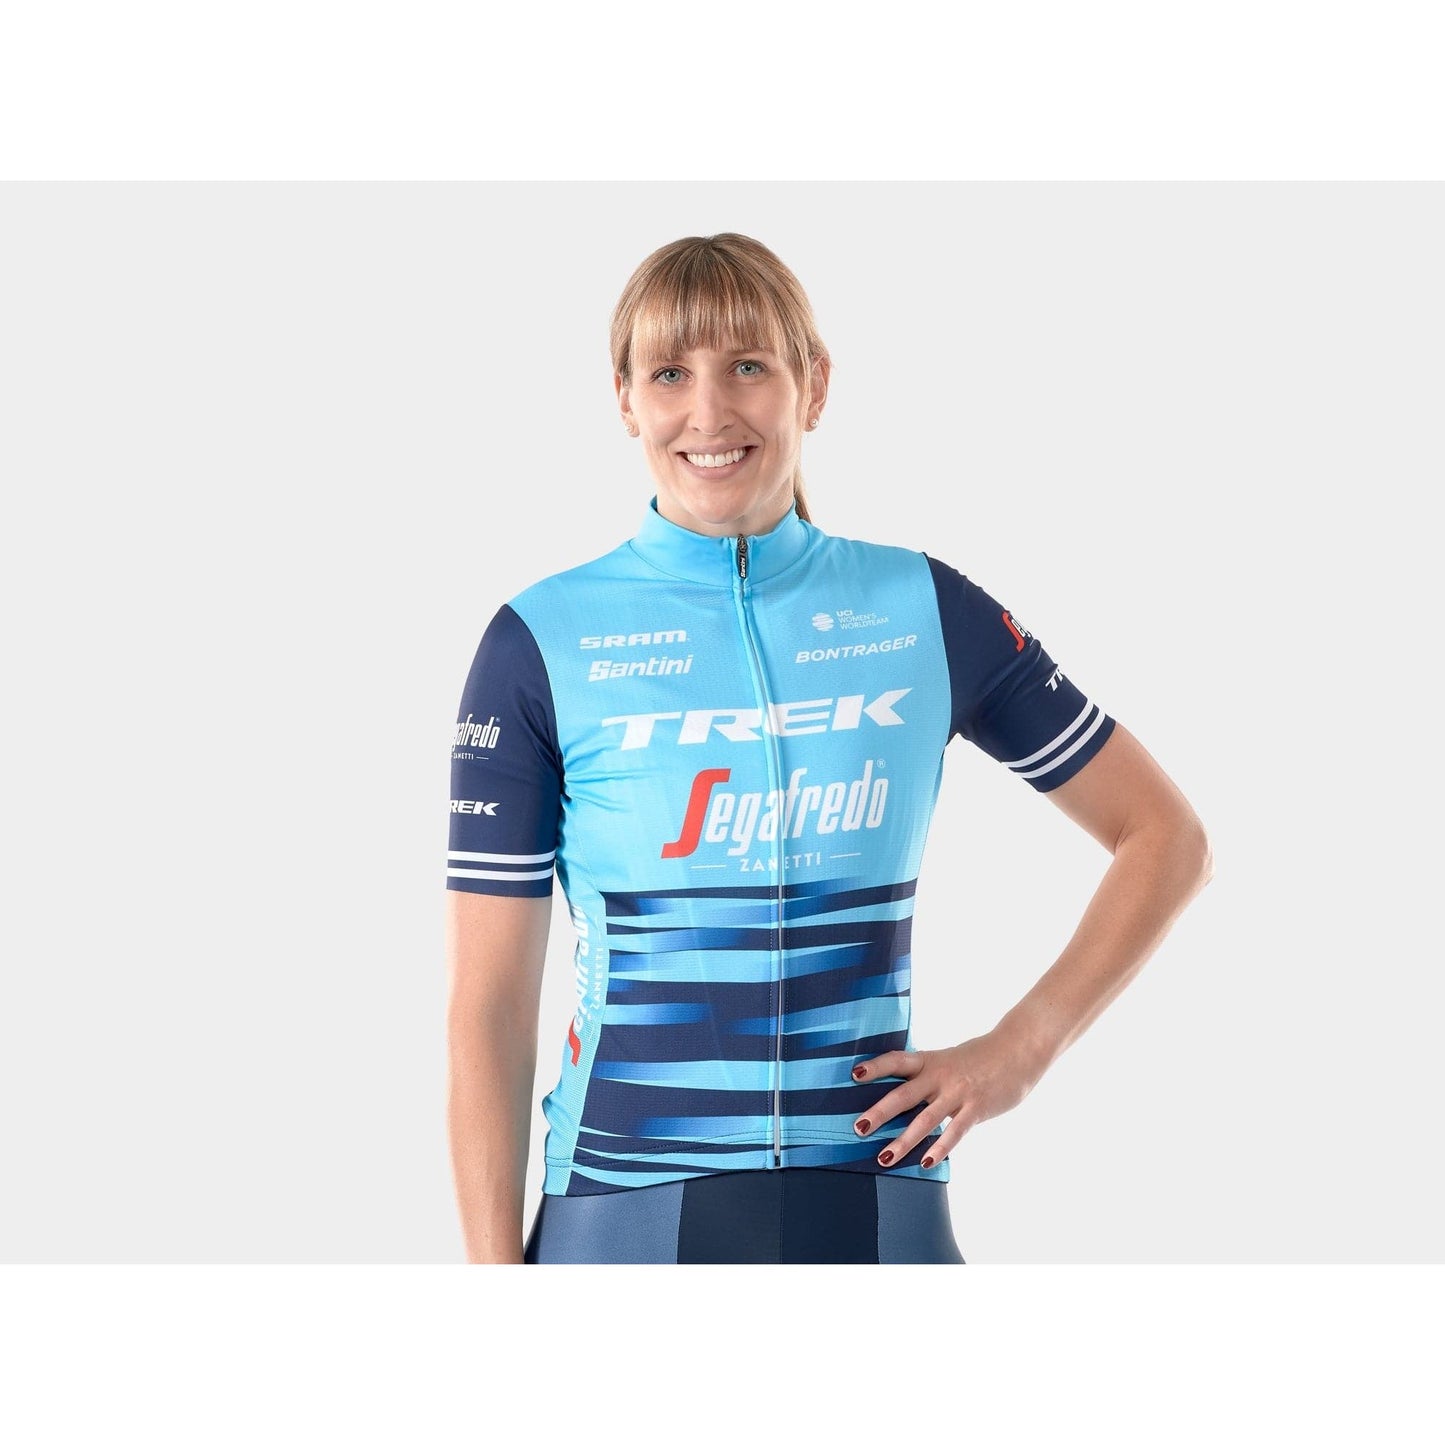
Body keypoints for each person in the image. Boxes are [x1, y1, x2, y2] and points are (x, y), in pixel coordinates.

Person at [445, 232, 1213, 1265]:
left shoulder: (921, 607)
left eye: (746, 366)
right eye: (669, 373)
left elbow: (1164, 836)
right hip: (622, 1211)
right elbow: (490, 1007)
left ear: (812, 384)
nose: (708, 412)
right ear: (623, 399)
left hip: (877, 1200)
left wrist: (1017, 1052)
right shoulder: (539, 641)